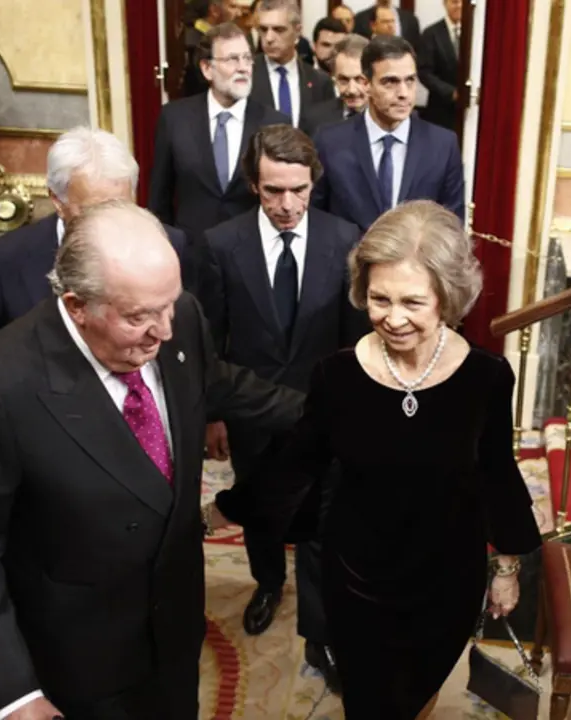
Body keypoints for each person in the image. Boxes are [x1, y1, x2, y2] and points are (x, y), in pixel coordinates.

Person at [0, 200, 305, 720]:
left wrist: (332, 408)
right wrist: (14, 695)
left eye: (169, 305)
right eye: (139, 317)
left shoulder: (179, 319)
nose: (164, 330)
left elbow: (220, 385)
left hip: (175, 624)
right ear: (78, 305)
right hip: (83, 657)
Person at [212, 200, 541, 718]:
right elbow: (299, 459)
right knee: (367, 702)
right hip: (359, 580)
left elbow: (497, 471)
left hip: (447, 579)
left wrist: (506, 566)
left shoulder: (487, 377)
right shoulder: (337, 376)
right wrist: (231, 507)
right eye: (378, 299)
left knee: (419, 694)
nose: (393, 318)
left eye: (413, 302)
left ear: (448, 299)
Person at [200, 124, 368, 691]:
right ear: (254, 184)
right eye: (274, 191)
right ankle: (267, 583)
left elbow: (353, 346)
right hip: (250, 416)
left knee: (323, 525)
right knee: (263, 510)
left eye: (299, 189)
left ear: (313, 181)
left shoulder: (347, 240)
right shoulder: (220, 246)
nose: (288, 204)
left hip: (325, 418)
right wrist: (215, 415)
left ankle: (320, 636)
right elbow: (212, 345)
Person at [0, 127, 187, 347]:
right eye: (93, 211)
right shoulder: (1, 264)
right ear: (57, 200)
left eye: (120, 207)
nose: (109, 223)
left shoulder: (168, 245)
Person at [149, 22, 287, 296]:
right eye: (232, 59)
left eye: (247, 58)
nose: (243, 67)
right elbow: (159, 199)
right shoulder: (175, 119)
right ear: (206, 69)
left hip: (252, 260)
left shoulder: (274, 123)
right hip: (191, 260)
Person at [312, 36, 465, 232]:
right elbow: (316, 219)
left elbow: (452, 227)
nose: (403, 93)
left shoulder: (443, 145)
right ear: (367, 85)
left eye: (409, 80)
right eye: (390, 82)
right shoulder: (329, 142)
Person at [249, 0, 335, 129]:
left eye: (279, 30)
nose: (269, 38)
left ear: (297, 31)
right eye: (263, 29)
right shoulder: (246, 75)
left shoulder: (320, 82)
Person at [300, 34, 369, 138]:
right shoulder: (314, 121)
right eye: (343, 80)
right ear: (333, 77)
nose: (352, 90)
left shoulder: (392, 118)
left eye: (359, 79)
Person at [418, 0, 462, 131]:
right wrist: (451, 92)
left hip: (468, 110)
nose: (459, 5)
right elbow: (424, 72)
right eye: (454, 2)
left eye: (462, 2)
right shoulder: (431, 33)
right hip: (440, 109)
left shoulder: (475, 33)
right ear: (445, 4)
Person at [353, 0, 420, 48]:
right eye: (385, 21)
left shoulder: (411, 20)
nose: (390, 25)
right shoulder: (360, 19)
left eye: (392, 21)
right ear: (373, 25)